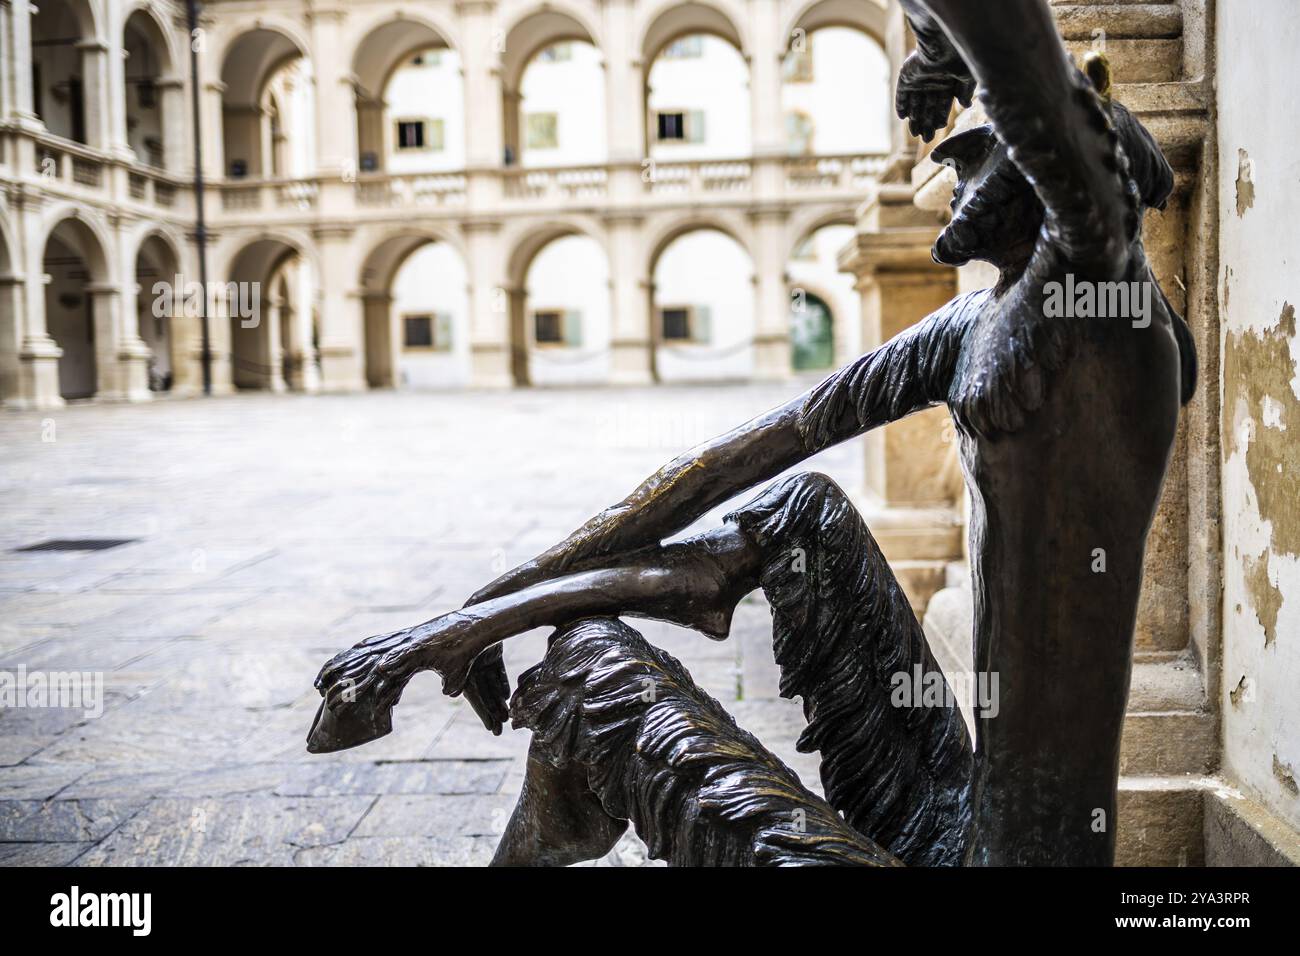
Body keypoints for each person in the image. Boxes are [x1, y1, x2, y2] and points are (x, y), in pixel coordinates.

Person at [312, 0, 1195, 866]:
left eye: (978, 149)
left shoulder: (1102, 316)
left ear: (1056, 175)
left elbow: (1038, 84)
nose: (948, 164)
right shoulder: (977, 324)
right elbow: (734, 459)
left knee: (591, 672)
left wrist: (941, 43)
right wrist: (466, 620)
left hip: (1016, 855)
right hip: (947, 806)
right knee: (800, 508)